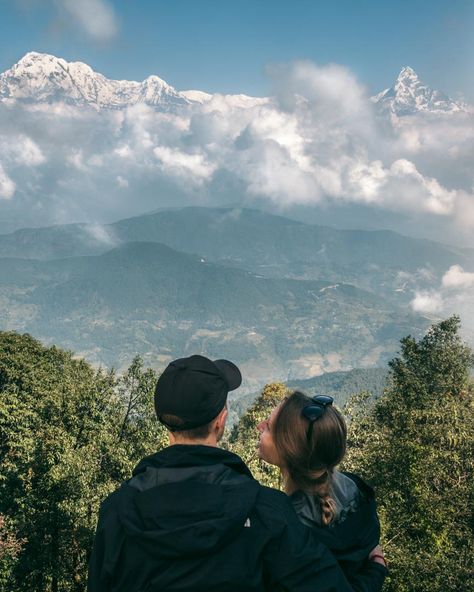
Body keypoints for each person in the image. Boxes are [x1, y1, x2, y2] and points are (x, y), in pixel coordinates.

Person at [88, 355, 387, 592]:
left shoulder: (116, 511)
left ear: (165, 422)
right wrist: (374, 571)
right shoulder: (268, 512)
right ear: (221, 420)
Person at [257, 390, 387, 580]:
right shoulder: (356, 489)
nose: (259, 426)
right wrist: (376, 570)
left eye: (268, 427)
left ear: (290, 447)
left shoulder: (290, 527)